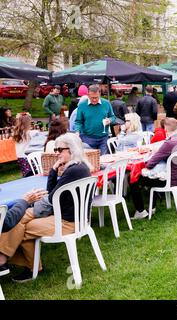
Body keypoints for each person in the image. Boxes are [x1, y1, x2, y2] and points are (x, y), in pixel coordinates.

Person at [0, 133, 92, 282]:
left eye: (59, 150)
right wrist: (54, 169)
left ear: (71, 149)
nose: (56, 153)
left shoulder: (73, 171)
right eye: (55, 150)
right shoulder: (80, 168)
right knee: (21, 221)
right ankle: (18, 263)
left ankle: (17, 263)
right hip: (74, 218)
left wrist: (33, 205)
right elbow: (52, 193)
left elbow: (50, 197)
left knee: (20, 225)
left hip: (68, 223)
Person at [129, 118, 177, 219]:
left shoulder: (169, 143)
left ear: (166, 128)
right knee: (153, 175)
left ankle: (140, 211)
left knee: (133, 179)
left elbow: (150, 164)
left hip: (169, 180)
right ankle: (152, 207)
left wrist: (153, 155)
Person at [75, 84, 116, 155]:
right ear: (88, 95)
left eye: (96, 97)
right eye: (92, 98)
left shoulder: (106, 103)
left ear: (99, 94)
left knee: (104, 160)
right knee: (91, 161)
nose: (94, 100)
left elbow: (113, 117)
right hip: (87, 138)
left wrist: (109, 120)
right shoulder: (82, 105)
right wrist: (77, 131)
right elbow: (78, 121)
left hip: (103, 138)